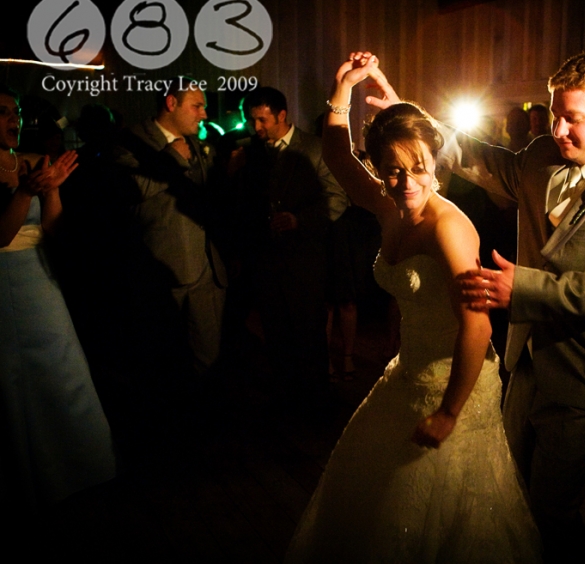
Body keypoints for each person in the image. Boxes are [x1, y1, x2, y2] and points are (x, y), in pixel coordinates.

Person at [370, 52, 585, 560]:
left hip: (584, 372)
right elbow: (475, 156)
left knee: (554, 508)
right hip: (523, 358)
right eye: (554, 115)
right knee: (509, 492)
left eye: (572, 118)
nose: (558, 129)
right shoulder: (539, 157)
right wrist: (407, 114)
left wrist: (522, 289)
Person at [284, 53, 541, 563]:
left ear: (436, 161)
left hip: (458, 380)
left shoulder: (449, 229)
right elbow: (337, 156)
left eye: (419, 168)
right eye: (392, 171)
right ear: (378, 169)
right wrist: (344, 88)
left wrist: (448, 413)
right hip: (408, 373)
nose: (406, 183)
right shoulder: (388, 206)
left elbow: (476, 326)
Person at [0, 86, 116, 515]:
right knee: (11, 381)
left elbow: (52, 228)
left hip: (39, 278)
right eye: (2, 112)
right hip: (3, 280)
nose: (13, 119)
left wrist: (52, 191)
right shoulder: (22, 176)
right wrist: (23, 193)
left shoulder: (32, 161)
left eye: (15, 112)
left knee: (62, 369)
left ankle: (77, 469)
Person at [226, 87, 347, 405]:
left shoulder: (315, 147)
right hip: (264, 260)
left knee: (309, 332)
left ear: (282, 115)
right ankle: (285, 398)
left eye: (262, 120)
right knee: (275, 332)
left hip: (304, 260)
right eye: (251, 120)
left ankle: (316, 399)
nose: (256, 127)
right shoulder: (248, 151)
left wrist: (299, 220)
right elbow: (240, 204)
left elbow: (337, 198)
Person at [115, 78, 227, 375]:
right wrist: (172, 159)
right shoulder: (130, 141)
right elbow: (130, 191)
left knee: (209, 357)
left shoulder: (197, 142)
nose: (204, 114)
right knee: (165, 359)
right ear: (171, 103)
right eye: (197, 106)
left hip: (206, 267)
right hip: (162, 271)